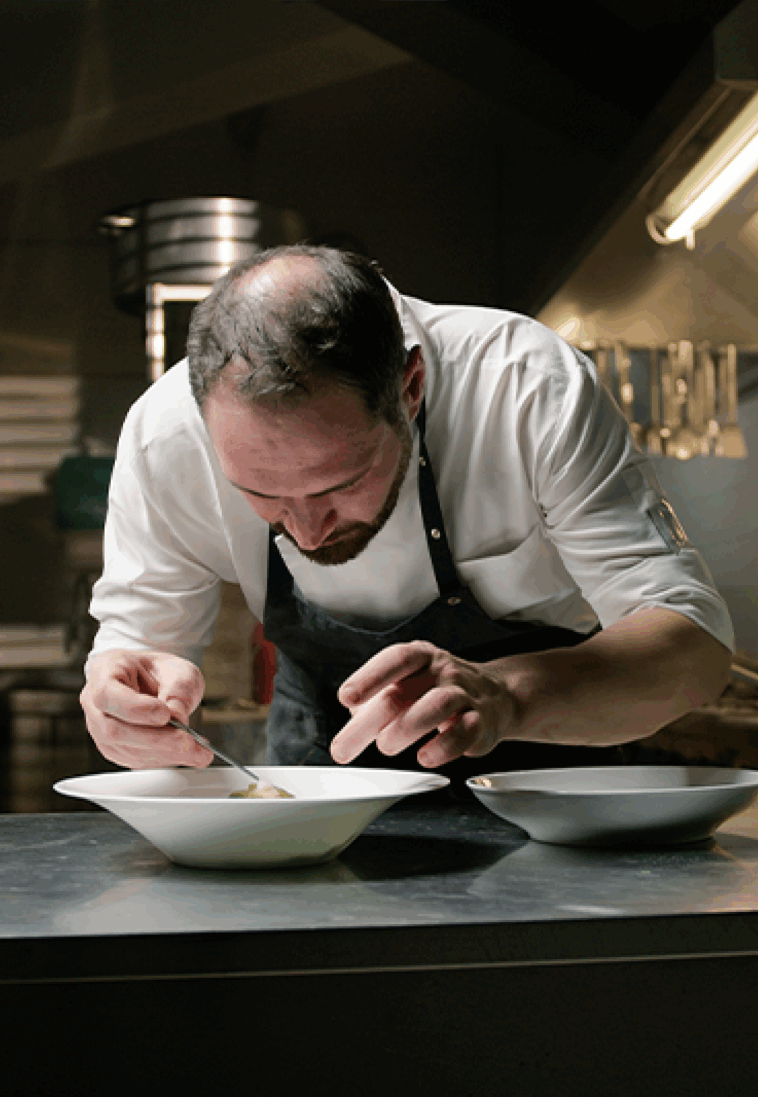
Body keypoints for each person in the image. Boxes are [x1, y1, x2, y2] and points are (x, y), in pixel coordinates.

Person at [80, 245, 734, 799]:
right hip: (321, 790)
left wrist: (506, 694)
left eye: (339, 484)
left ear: (410, 386)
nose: (307, 533)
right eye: (262, 494)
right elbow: (138, 645)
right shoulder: (165, 437)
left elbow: (693, 646)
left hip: (554, 786)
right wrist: (124, 700)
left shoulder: (524, 387)